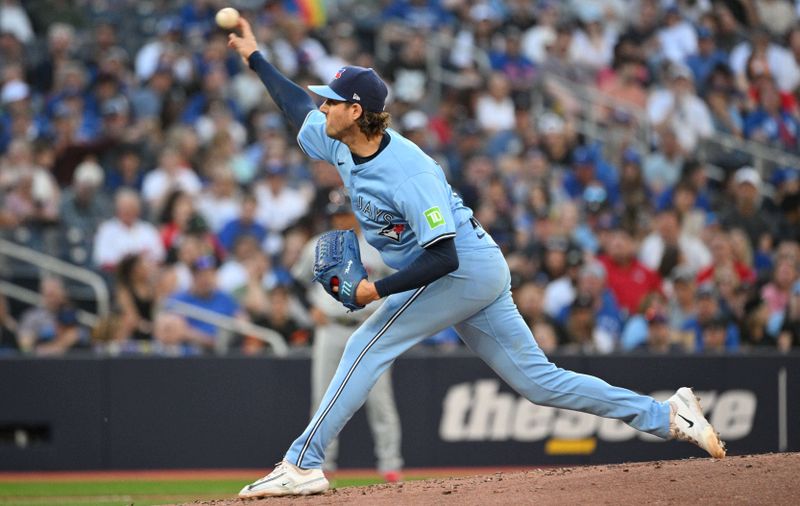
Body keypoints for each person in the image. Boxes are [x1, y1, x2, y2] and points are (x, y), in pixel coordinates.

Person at [228, 17, 726, 499]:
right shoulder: (339, 143)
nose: (323, 106)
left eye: (333, 101)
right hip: (476, 271)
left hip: (462, 267)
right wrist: (255, 58)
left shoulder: (408, 171)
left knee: (366, 343)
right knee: (539, 383)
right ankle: (665, 416)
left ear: (356, 112)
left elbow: (442, 257)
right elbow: (296, 106)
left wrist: (373, 290)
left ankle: (303, 463)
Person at [292, 195, 403, 482]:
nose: (340, 218)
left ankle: (390, 466)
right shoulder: (318, 244)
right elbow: (294, 283)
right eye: (336, 213)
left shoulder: (379, 243)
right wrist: (309, 309)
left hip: (369, 327)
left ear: (356, 213)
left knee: (380, 400)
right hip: (330, 326)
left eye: (345, 212)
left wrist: (384, 312)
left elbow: (403, 281)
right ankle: (321, 465)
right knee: (323, 398)